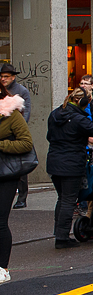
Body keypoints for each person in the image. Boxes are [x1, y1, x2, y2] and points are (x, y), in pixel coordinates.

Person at [46, 88, 93, 248]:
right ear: (82, 102)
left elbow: (49, 136)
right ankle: (62, 238)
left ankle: (59, 233)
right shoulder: (78, 119)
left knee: (62, 198)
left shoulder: (55, 114)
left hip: (54, 162)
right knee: (68, 200)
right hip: (71, 164)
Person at [0, 82, 34, 284]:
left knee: (0, 221)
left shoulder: (11, 113)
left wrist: (1, 144)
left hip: (5, 175)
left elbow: (26, 143)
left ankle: (3, 268)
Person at [0, 62, 32, 208]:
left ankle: (22, 197)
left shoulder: (21, 91)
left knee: (19, 166)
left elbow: (25, 113)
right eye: (1, 76)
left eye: (6, 76)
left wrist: (16, 129)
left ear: (13, 77)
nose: (3, 79)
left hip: (15, 133)